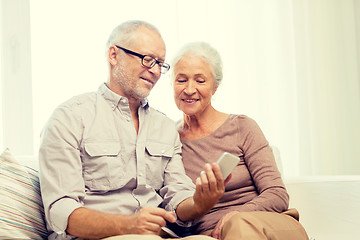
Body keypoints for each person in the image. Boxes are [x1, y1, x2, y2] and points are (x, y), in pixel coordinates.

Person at [39, 21, 225, 240]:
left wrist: (198, 203)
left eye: (161, 64)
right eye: (147, 59)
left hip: (158, 235)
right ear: (114, 55)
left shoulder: (165, 127)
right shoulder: (69, 117)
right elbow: (61, 211)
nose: (155, 71)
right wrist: (129, 225)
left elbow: (177, 195)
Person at [171, 42, 309, 240]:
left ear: (215, 87)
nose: (189, 89)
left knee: (238, 225)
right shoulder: (169, 141)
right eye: (181, 80)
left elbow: (277, 194)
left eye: (200, 81)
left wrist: (235, 216)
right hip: (212, 233)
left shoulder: (242, 127)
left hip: (264, 224)